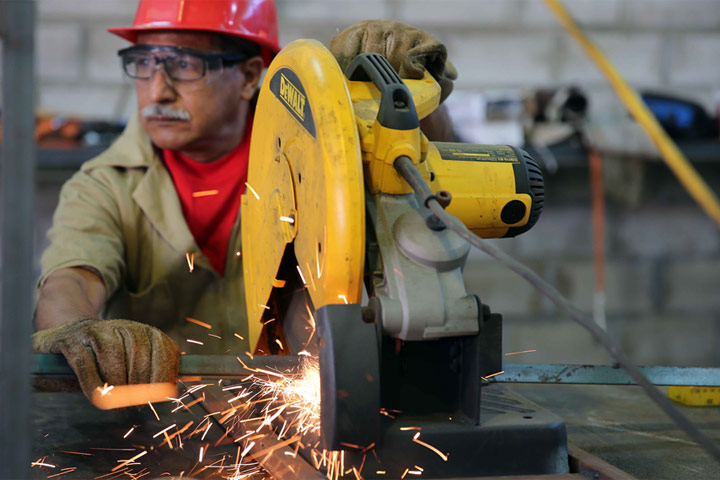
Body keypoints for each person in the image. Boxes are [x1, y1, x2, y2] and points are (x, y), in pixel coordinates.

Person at [32, 0, 458, 405]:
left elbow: (435, 184)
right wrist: (78, 328)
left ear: (251, 76)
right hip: (151, 428)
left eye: (183, 64)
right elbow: (71, 282)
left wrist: (407, 92)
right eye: (143, 63)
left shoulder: (320, 157)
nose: (157, 91)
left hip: (296, 420)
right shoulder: (104, 185)